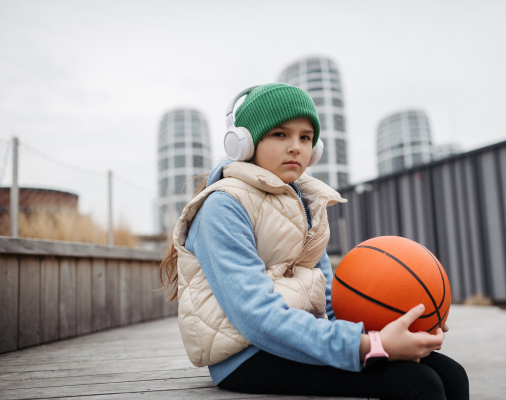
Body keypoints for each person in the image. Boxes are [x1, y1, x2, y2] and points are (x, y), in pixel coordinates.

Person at [160, 83, 469, 400]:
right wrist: (371, 346)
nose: (296, 146)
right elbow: (256, 318)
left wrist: (403, 327)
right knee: (418, 383)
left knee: (450, 374)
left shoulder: (305, 202)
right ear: (246, 143)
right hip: (247, 355)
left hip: (300, 340)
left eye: (305, 137)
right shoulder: (222, 208)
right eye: (280, 134)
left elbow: (328, 301)